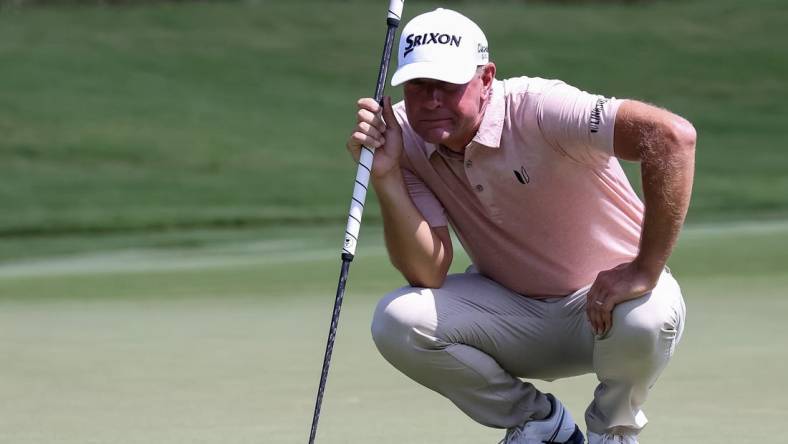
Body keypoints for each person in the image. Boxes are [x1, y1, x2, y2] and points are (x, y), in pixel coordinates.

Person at [346, 8, 695, 444]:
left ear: (486, 78)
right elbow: (426, 272)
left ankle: (614, 430)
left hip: (608, 311)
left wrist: (644, 268)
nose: (432, 100)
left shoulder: (539, 107)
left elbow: (671, 138)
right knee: (397, 320)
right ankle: (542, 426)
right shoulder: (402, 139)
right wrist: (387, 176)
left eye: (448, 85)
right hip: (513, 319)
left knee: (650, 310)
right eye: (419, 85)